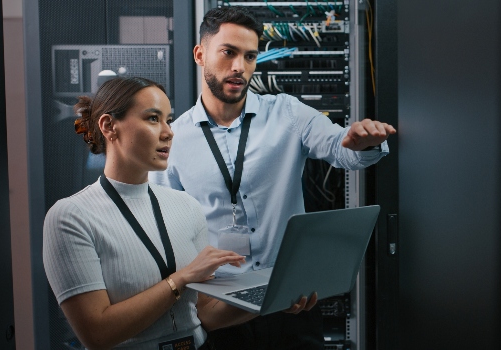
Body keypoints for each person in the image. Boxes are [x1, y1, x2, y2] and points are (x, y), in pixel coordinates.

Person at [148, 6, 397, 350]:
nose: (240, 67)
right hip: (221, 308)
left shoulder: (288, 113)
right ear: (200, 54)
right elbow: (167, 234)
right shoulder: (173, 140)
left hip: (292, 300)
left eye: (250, 56)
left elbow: (343, 151)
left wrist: (365, 143)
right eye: (229, 52)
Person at [43, 76, 301, 350]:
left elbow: (205, 315)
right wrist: (182, 278)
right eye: (153, 118)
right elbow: (97, 335)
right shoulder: (71, 217)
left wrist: (273, 298)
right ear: (109, 126)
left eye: (168, 119)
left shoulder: (186, 206)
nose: (168, 131)